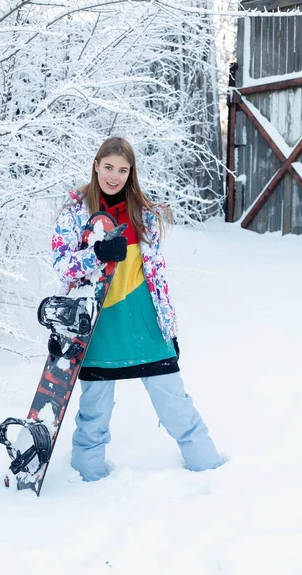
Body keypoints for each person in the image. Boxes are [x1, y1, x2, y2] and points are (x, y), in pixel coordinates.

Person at [51, 137, 224, 482]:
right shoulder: (73, 216)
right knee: (94, 415)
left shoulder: (142, 215)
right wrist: (97, 253)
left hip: (145, 325)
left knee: (176, 406)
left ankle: (213, 475)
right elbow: (61, 266)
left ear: (131, 174)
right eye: (109, 167)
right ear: (96, 166)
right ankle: (84, 487)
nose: (114, 176)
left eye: (123, 170)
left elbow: (158, 277)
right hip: (98, 329)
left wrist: (169, 330)